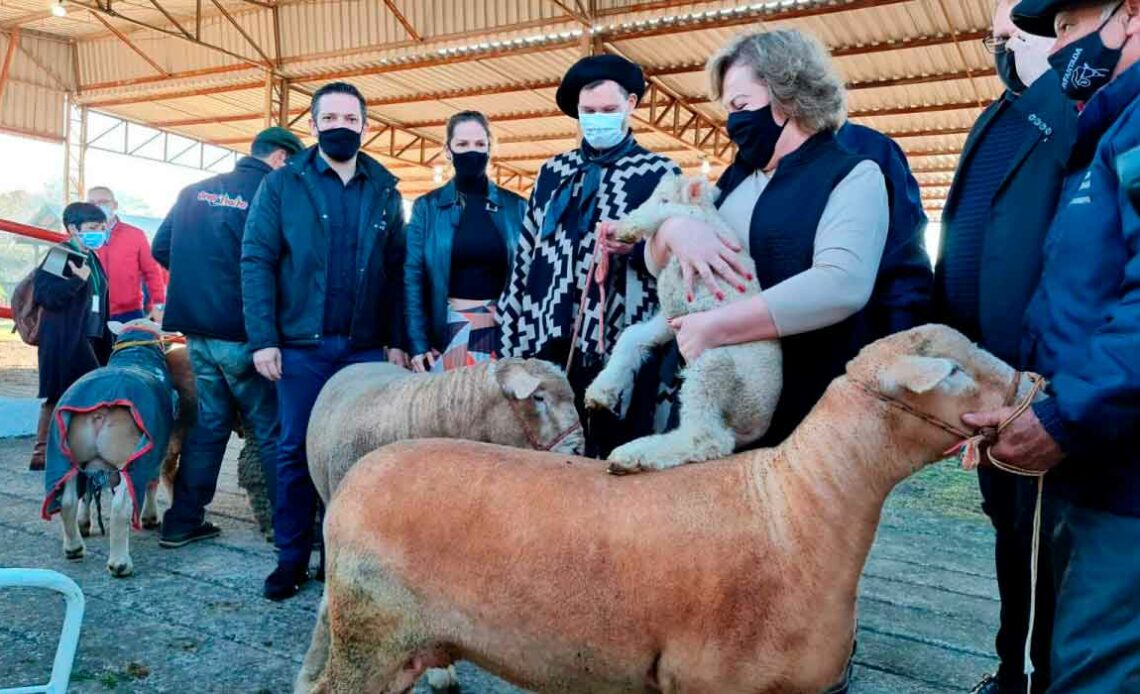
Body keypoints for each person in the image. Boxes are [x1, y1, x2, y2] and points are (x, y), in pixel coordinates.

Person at [965, 1, 1140, 691]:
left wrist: (1066, 414)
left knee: (1097, 670)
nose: (1056, 44)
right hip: (1091, 461)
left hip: (1123, 478)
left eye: (1066, 26)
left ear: (1129, 15)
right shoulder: (1106, 134)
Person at [644, 29, 889, 449]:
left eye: (741, 105)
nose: (733, 122)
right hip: (721, 396)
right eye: (728, 110)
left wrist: (717, 327)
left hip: (804, 406)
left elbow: (842, 283)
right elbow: (656, 262)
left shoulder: (852, 174)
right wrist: (672, 229)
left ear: (787, 96)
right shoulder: (737, 177)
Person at [931, 3, 1077, 692]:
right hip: (986, 378)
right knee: (1009, 531)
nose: (1003, 47)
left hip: (1045, 383)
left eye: (1017, 35)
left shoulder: (1081, 111)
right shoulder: (995, 117)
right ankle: (1010, 666)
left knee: (1053, 541)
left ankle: (1047, 671)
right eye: (995, 37)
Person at [242, 81, 409, 601]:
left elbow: (398, 270)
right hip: (300, 347)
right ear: (313, 126)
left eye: (350, 118)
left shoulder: (384, 187)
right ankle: (290, 559)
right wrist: (263, 338)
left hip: (363, 349)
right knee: (295, 450)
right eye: (330, 118)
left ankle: (351, 558)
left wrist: (398, 340)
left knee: (364, 455)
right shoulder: (284, 184)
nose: (341, 126)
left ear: (365, 124)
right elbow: (257, 259)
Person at [497, 54, 681, 457]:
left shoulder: (660, 174)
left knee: (617, 453)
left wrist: (636, 251)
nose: (598, 119)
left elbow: (678, 264)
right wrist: (511, 331)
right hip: (550, 341)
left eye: (609, 110)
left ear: (631, 104)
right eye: (588, 111)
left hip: (624, 346)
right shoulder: (552, 172)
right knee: (553, 453)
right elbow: (527, 253)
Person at [151, 126, 304, 549]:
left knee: (209, 425)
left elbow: (160, 248)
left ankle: (182, 521)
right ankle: (287, 528)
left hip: (197, 332)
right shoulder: (273, 196)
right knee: (270, 430)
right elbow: (291, 265)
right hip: (245, 332)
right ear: (281, 159)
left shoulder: (194, 191)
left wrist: (201, 277)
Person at [405, 111, 526, 372]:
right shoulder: (427, 207)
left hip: (503, 331)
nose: (472, 152)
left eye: (480, 145)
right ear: (448, 150)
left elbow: (529, 273)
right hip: (447, 331)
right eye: (462, 145)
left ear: (490, 149)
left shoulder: (517, 207)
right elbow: (412, 277)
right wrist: (418, 342)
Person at [30, 203, 112, 471]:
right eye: (92, 228)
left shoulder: (92, 258)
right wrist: (76, 280)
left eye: (102, 228)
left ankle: (76, 449)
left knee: (84, 393)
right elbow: (45, 295)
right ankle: (42, 452)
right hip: (65, 339)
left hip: (92, 336)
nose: (99, 233)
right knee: (59, 394)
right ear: (73, 229)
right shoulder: (61, 254)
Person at [835, 122, 933, 337]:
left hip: (859, 335)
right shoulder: (755, 159)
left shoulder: (869, 149)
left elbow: (904, 254)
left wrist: (905, 338)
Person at [86, 186, 167, 323]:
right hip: (89, 312)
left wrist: (159, 305)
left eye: (103, 202)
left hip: (129, 314)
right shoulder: (81, 237)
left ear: (115, 205)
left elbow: (152, 272)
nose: (98, 207)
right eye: (92, 203)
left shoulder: (135, 235)